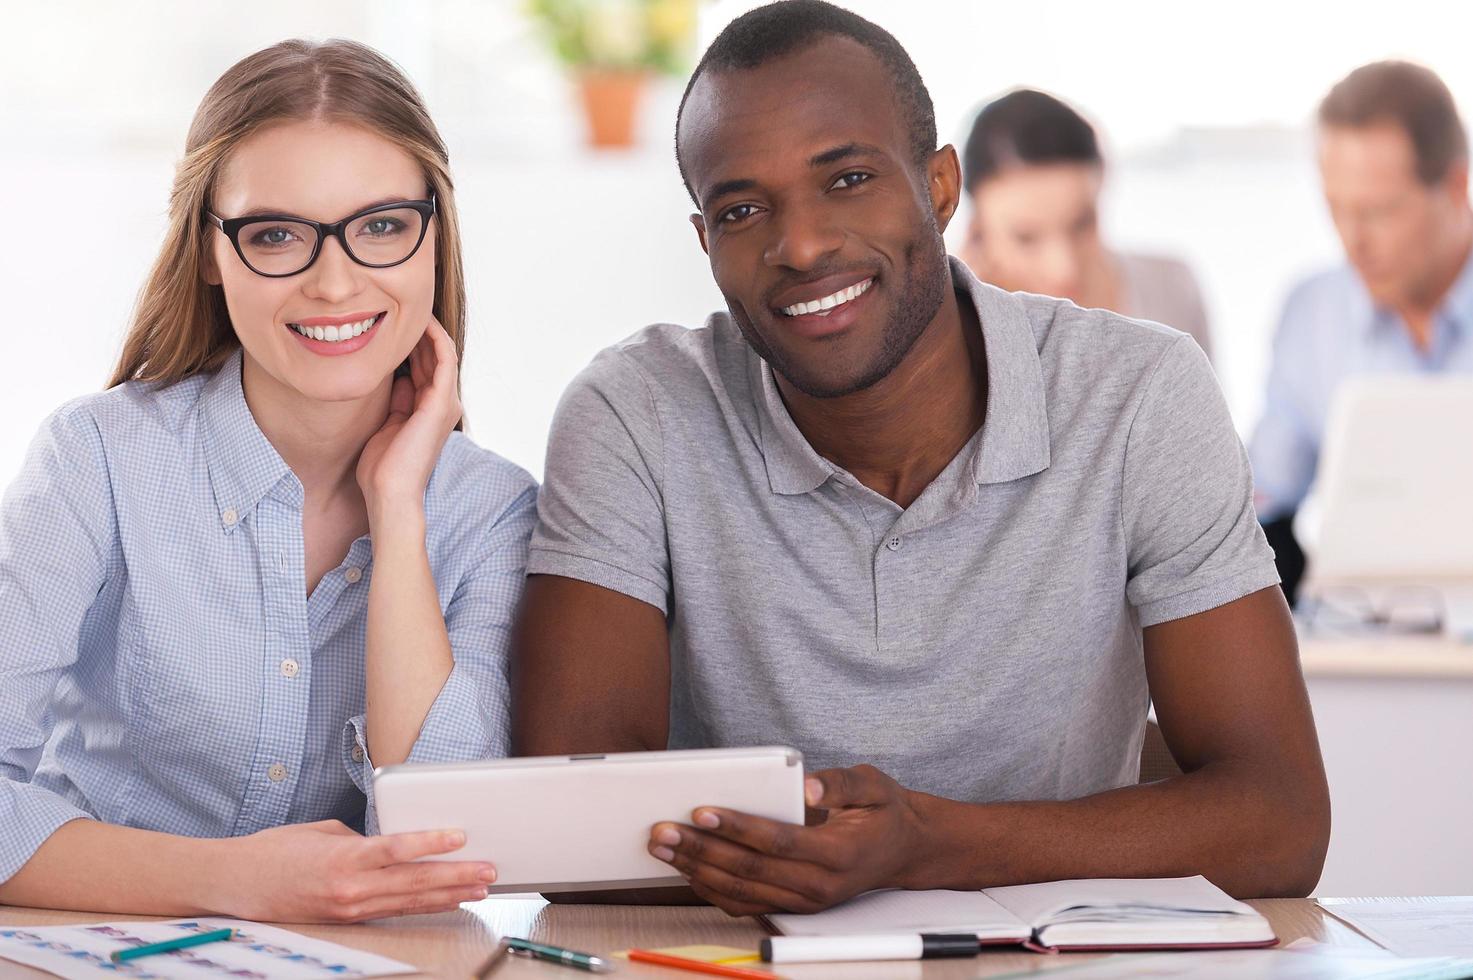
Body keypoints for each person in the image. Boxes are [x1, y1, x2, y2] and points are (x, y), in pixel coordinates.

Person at [512, 0, 1329, 916]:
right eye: (742, 209)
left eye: (849, 178)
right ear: (705, 241)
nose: (803, 245)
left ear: (940, 188)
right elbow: (572, 834)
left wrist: (926, 845)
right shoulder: (635, 413)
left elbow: (1280, 821)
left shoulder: (1138, 395)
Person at [0, 40, 534, 921]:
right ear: (209, 251)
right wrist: (234, 881)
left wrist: (397, 512)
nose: (334, 283)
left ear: (434, 237)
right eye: (276, 234)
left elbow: (448, 831)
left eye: (382, 226)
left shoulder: (489, 508)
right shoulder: (95, 459)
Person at [1251, 61, 1473, 604]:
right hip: (1367, 645)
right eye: (1336, 207)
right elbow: (1263, 506)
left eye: (1379, 211)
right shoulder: (1311, 312)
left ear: (1456, 185)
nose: (1353, 240)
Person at [958, 89, 1213, 358]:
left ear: (1104, 182)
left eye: (1082, 224)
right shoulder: (961, 328)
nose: (1064, 269)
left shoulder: (1172, 286)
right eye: (1026, 238)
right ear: (977, 229)